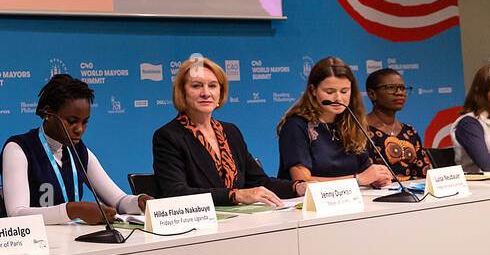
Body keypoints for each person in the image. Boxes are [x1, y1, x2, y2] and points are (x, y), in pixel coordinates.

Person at [153, 57, 305, 206]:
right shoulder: (169, 136)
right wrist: (236, 195)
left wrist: (299, 187)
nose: (206, 93)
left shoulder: (230, 132)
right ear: (182, 93)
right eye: (196, 86)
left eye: (212, 86)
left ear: (220, 92)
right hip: (200, 225)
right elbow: (176, 192)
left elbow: (260, 183)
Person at [0, 73, 148, 223]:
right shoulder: (18, 149)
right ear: (49, 113)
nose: (79, 130)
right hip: (36, 243)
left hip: (71, 242)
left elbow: (118, 200)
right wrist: (73, 210)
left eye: (85, 122)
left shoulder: (79, 151)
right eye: (72, 121)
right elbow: (16, 213)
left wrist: (139, 202)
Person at [276, 56, 394, 187]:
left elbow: (365, 172)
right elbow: (303, 182)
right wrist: (357, 180)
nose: (338, 98)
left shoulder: (353, 122)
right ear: (313, 90)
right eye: (329, 91)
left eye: (344, 91)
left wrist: (377, 178)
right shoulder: (296, 125)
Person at [363, 68, 432, 180]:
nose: (399, 93)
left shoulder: (410, 132)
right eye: (391, 88)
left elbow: (423, 175)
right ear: (372, 94)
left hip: (412, 195)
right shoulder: (360, 130)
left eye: (402, 88)